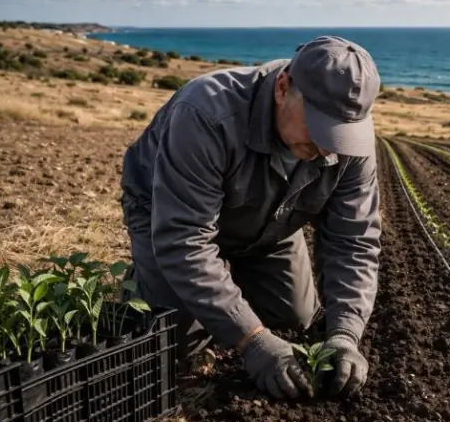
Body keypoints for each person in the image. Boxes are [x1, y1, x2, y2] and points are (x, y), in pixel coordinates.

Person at [118, 35, 383, 400]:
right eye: (319, 127)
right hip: (167, 213)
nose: (327, 148)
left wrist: (345, 333)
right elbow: (184, 239)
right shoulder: (206, 114)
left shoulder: (349, 146)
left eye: (340, 134)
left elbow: (353, 241)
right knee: (177, 342)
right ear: (282, 87)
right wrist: (252, 340)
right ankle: (147, 280)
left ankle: (226, 281)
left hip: (269, 221)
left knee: (295, 319)